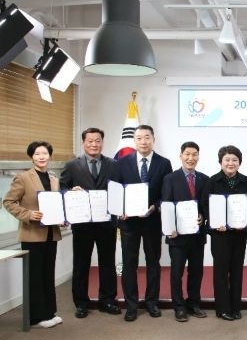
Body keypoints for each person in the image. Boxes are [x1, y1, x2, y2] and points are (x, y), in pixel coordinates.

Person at [60, 128, 121, 319]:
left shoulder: (113, 164)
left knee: (107, 263)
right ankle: (81, 303)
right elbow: (62, 189)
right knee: (81, 264)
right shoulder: (72, 165)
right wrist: (71, 192)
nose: (94, 144)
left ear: (102, 142)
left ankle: (107, 300)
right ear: (83, 143)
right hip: (82, 224)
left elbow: (119, 189)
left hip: (106, 223)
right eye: (90, 141)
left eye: (98, 141)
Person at [116, 125, 172, 322]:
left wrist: (155, 207)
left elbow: (166, 194)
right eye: (139, 138)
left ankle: (151, 302)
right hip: (129, 223)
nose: (143, 141)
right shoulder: (122, 162)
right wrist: (120, 209)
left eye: (147, 137)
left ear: (153, 139)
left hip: (152, 221)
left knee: (153, 263)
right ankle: (131, 305)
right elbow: (116, 191)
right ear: (134, 141)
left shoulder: (164, 163)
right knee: (129, 264)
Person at [3, 141, 63, 328]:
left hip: (51, 234)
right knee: (35, 276)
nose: (41, 157)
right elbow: (8, 202)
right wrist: (28, 214)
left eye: (45, 153)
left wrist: (62, 217)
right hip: (32, 234)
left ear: (49, 156)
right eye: (37, 154)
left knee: (47, 273)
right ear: (32, 157)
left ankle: (49, 312)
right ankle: (37, 317)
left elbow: (56, 204)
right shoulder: (23, 178)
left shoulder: (53, 179)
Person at [202, 145, 247, 321]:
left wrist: (246, 222)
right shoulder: (212, 182)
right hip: (220, 235)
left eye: (234, 160)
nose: (230, 163)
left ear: (239, 162)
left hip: (239, 234)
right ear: (220, 162)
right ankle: (223, 308)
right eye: (227, 160)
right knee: (221, 271)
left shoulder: (246, 182)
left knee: (237, 270)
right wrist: (215, 222)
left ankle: (235, 307)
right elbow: (205, 206)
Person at [161, 141, 209, 322]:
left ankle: (193, 303)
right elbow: (166, 205)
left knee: (196, 272)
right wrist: (169, 228)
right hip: (177, 236)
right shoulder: (170, 178)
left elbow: (206, 205)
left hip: (197, 236)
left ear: (198, 156)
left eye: (194, 154)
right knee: (177, 273)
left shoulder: (205, 179)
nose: (191, 158)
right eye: (187, 154)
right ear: (180, 156)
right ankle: (179, 307)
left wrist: (203, 216)